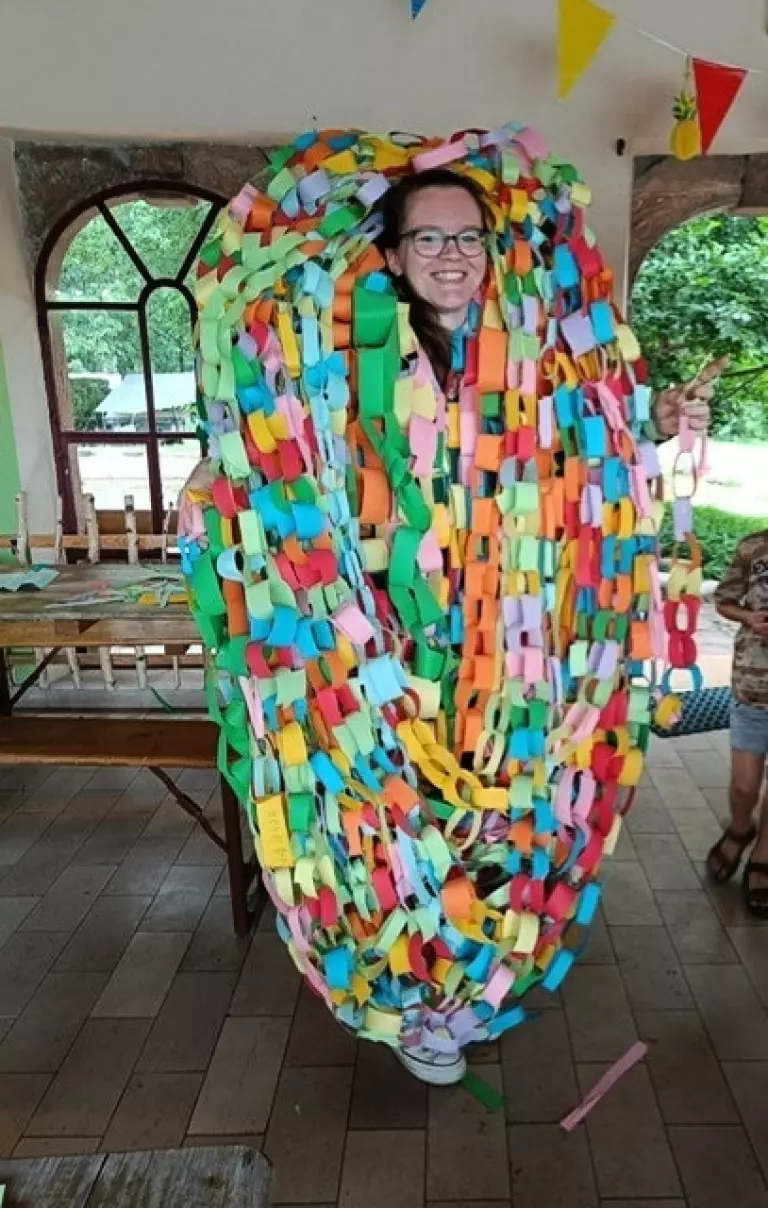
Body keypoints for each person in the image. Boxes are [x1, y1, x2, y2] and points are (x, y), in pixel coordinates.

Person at [180, 130, 727, 1088]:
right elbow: (279, 464)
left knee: (496, 815)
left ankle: (469, 977)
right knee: (395, 820)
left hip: (504, 645)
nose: (450, 255)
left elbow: (585, 461)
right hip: (380, 648)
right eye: (428, 238)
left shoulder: (527, 357)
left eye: (467, 237)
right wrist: (221, 496)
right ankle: (412, 996)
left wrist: (660, 419)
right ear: (392, 255)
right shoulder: (346, 357)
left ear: (489, 249)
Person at [707, 530, 768, 918]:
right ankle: (740, 828)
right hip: (753, 686)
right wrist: (750, 617)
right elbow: (724, 601)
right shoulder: (753, 547)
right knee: (744, 787)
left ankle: (764, 854)